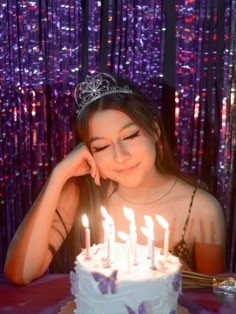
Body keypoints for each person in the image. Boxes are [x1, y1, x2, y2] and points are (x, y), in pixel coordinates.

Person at [4, 72, 226, 285]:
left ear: (155, 130)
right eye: (101, 146)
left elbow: (214, 297)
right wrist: (59, 175)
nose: (120, 156)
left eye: (130, 136)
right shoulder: (80, 193)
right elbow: (20, 274)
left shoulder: (200, 208)